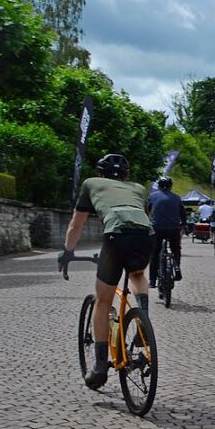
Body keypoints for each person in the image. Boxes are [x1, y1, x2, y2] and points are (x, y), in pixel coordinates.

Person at [57, 154, 155, 389]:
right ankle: (143, 317)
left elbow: (76, 224)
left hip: (116, 234)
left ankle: (100, 367)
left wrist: (68, 251)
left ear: (100, 172)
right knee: (137, 274)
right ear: (126, 175)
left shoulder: (91, 183)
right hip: (146, 235)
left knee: (103, 301)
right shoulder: (139, 188)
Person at [148, 176, 185, 287]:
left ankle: (152, 281)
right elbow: (183, 213)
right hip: (173, 229)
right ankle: (177, 267)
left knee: (154, 253)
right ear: (171, 186)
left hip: (157, 228)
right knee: (176, 249)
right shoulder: (177, 198)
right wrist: (184, 224)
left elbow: (147, 210)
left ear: (159, 186)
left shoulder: (152, 196)